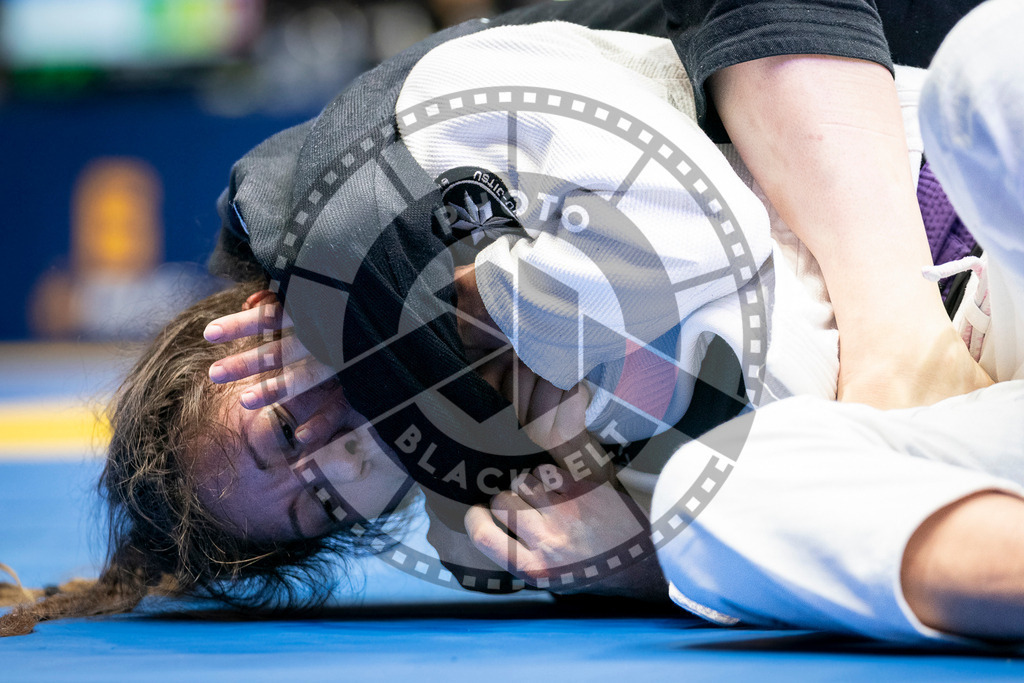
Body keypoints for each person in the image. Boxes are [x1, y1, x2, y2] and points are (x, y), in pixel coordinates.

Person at [0, 0, 990, 637]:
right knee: (728, 504)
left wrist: (468, 310)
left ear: (259, 321)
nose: (334, 451)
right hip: (971, 408)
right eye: (320, 503)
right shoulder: (495, 517)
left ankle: (899, 325)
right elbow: (757, 438)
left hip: (961, 207)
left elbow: (695, 252)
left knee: (996, 73)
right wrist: (644, 549)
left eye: (287, 430)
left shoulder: (435, 144)